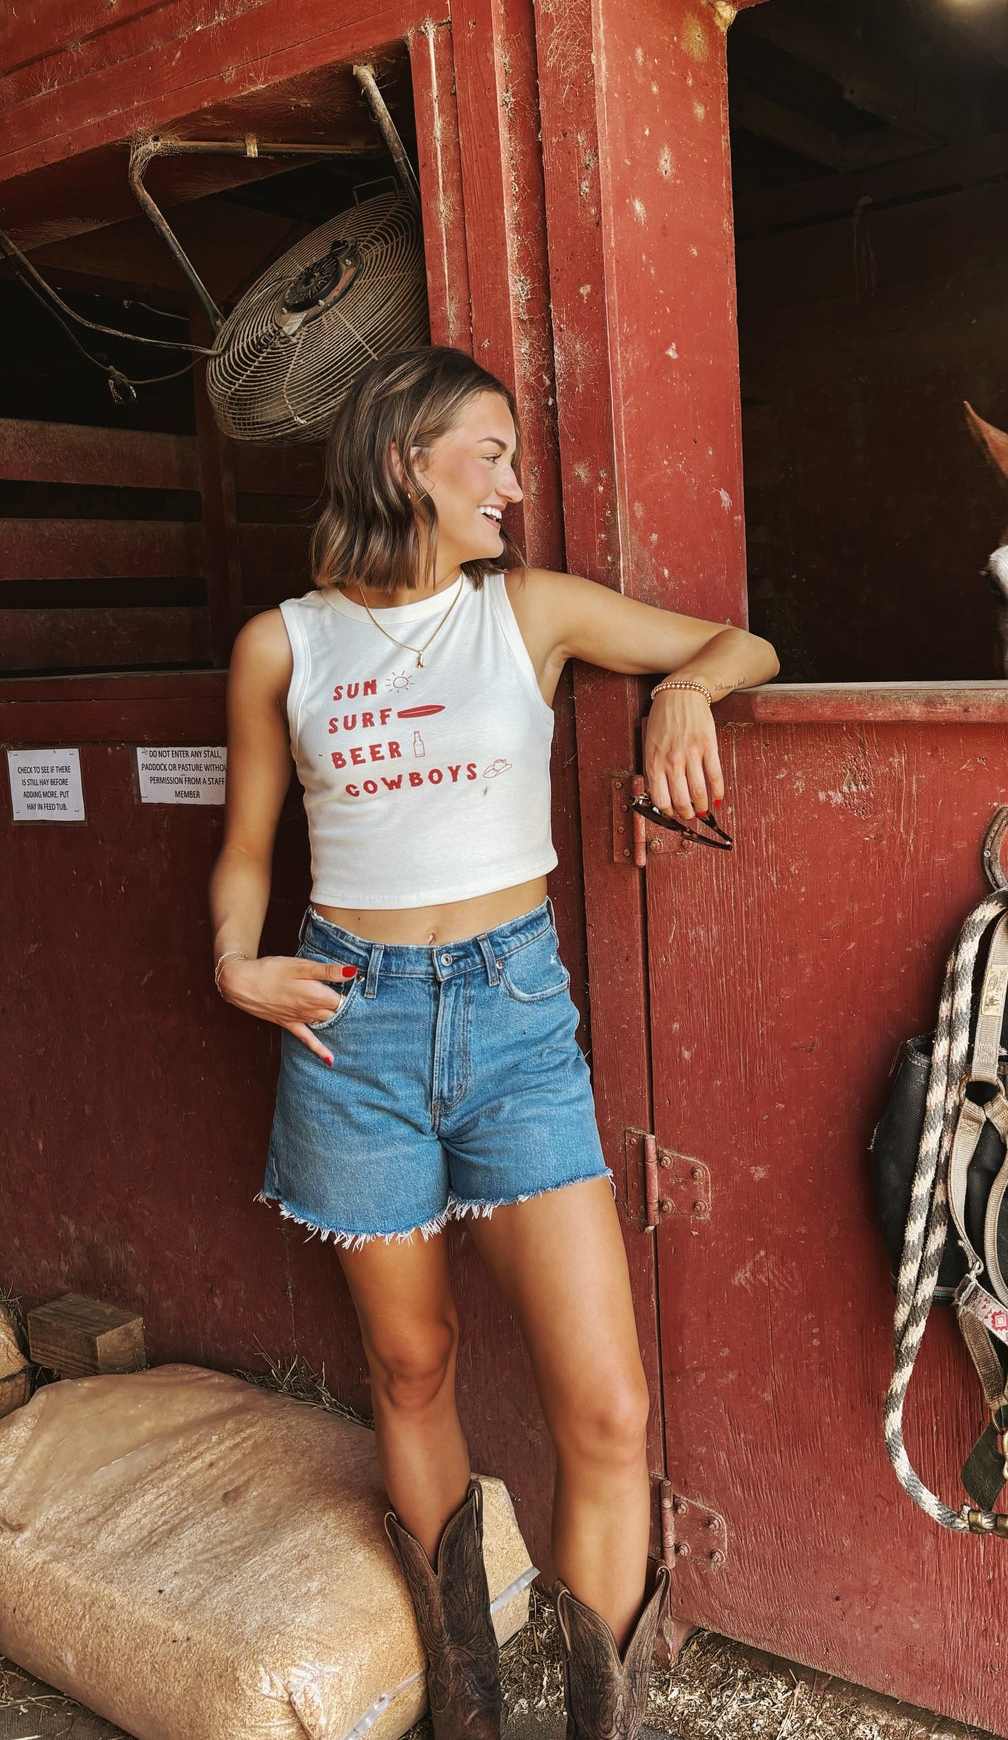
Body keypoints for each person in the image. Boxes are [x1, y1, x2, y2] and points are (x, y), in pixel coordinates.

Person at [209, 344, 779, 1740]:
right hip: (354, 1025)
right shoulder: (284, 643)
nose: (516, 487)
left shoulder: (526, 611)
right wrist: (236, 967)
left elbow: (745, 641)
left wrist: (686, 693)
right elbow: (246, 848)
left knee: (608, 1409)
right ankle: (467, 1703)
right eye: (492, 454)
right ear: (407, 458)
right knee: (410, 1370)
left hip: (517, 1022)